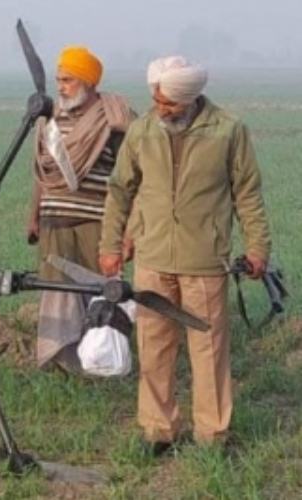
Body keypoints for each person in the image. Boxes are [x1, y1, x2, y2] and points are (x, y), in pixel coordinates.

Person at [99, 56, 270, 453]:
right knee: (155, 347)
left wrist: (258, 246)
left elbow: (247, 193)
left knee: (208, 352)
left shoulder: (228, 131)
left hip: (205, 262)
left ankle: (212, 436)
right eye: (157, 100)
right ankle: (159, 431)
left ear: (191, 98)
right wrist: (110, 246)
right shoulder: (141, 131)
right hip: (153, 261)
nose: (162, 109)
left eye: (170, 103)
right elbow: (120, 191)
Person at [27, 46, 134, 373]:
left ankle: (101, 361)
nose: (61, 86)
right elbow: (44, 171)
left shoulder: (115, 119)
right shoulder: (49, 118)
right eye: (59, 80)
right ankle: (63, 362)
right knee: (56, 290)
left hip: (96, 221)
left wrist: (128, 232)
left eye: (69, 80)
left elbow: (132, 179)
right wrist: (33, 214)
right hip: (54, 220)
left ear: (88, 82)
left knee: (97, 292)